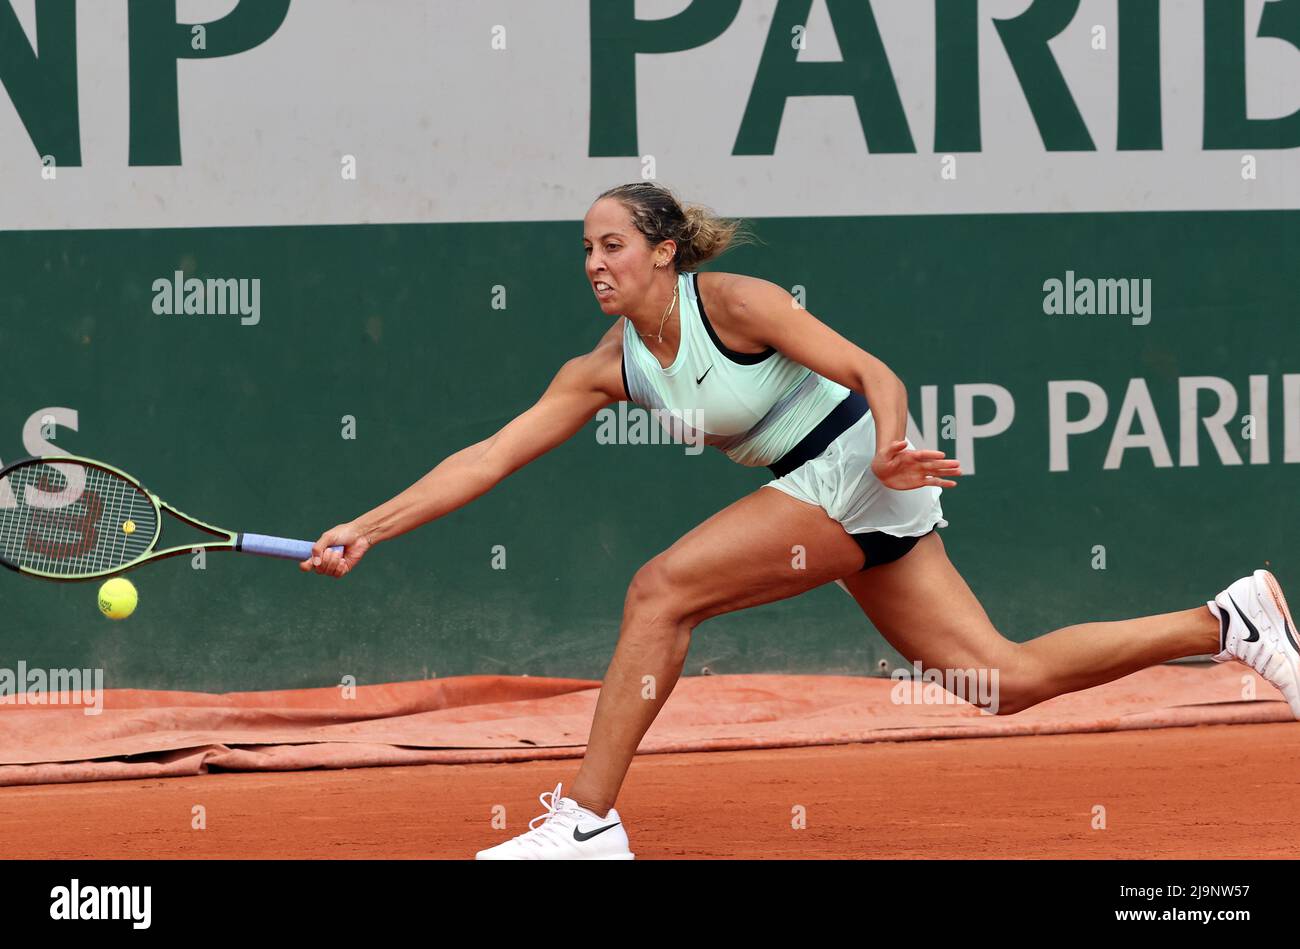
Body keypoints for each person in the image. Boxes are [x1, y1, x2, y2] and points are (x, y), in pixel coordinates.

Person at [302, 181, 1299, 860]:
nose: (594, 263)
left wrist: (893, 441)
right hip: (846, 495)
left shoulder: (732, 301)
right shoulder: (607, 368)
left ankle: (588, 825)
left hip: (858, 464)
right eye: (585, 251)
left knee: (659, 588)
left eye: (611, 245)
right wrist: (371, 525)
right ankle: (1229, 621)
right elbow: (491, 453)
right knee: (1002, 678)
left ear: (662, 250)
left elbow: (873, 372)